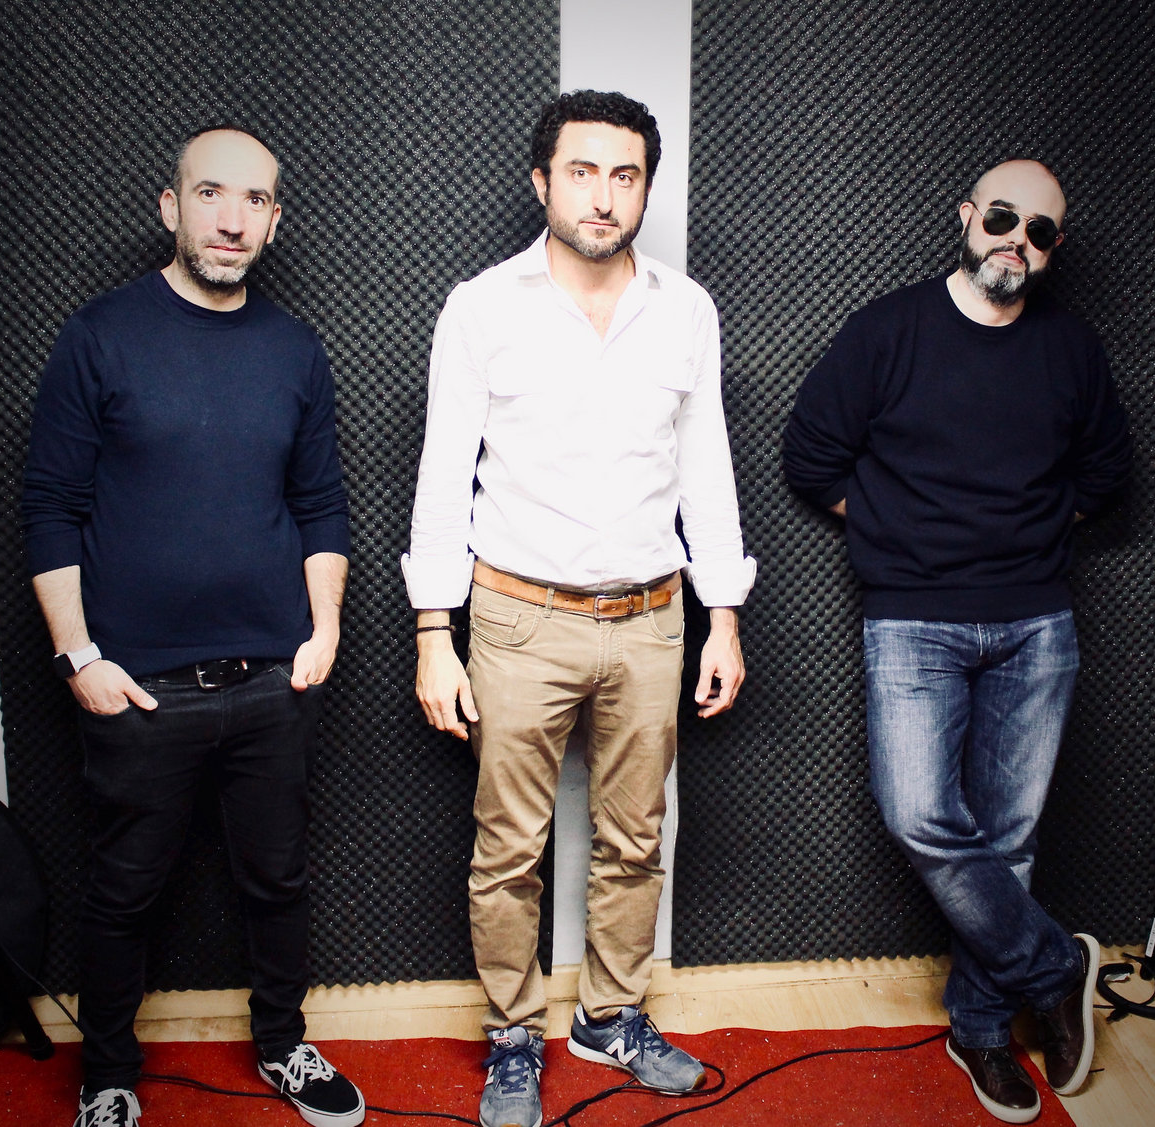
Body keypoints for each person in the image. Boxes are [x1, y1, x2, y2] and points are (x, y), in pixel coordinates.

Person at [402, 89, 756, 1127]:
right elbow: (441, 477)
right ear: (543, 181)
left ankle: (611, 1015)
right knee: (508, 847)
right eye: (583, 171)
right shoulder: (481, 307)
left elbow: (707, 467)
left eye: (626, 175)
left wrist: (723, 615)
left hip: (652, 618)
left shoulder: (686, 310)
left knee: (635, 836)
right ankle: (514, 1033)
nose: (604, 195)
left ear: (646, 188)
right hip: (518, 618)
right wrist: (433, 634)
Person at [21, 126, 364, 1127]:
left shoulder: (295, 350)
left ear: (274, 220)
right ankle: (108, 1077)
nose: (231, 219)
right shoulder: (99, 336)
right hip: (137, 688)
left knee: (277, 882)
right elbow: (50, 508)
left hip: (274, 680)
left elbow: (321, 505)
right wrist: (78, 655)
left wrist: (323, 633)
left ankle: (283, 1045)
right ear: (171, 207)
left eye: (254, 200)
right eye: (211, 194)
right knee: (123, 893)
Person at [783, 160, 1131, 1123]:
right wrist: (900, 533)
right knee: (921, 816)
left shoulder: (1072, 348)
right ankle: (1055, 967)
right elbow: (810, 455)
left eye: (1041, 231)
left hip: (1037, 622)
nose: (1018, 240)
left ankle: (980, 1028)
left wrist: (1032, 533)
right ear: (970, 216)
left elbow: (1109, 473)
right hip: (912, 618)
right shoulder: (888, 330)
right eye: (1004, 218)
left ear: (1054, 249)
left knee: (1009, 837)